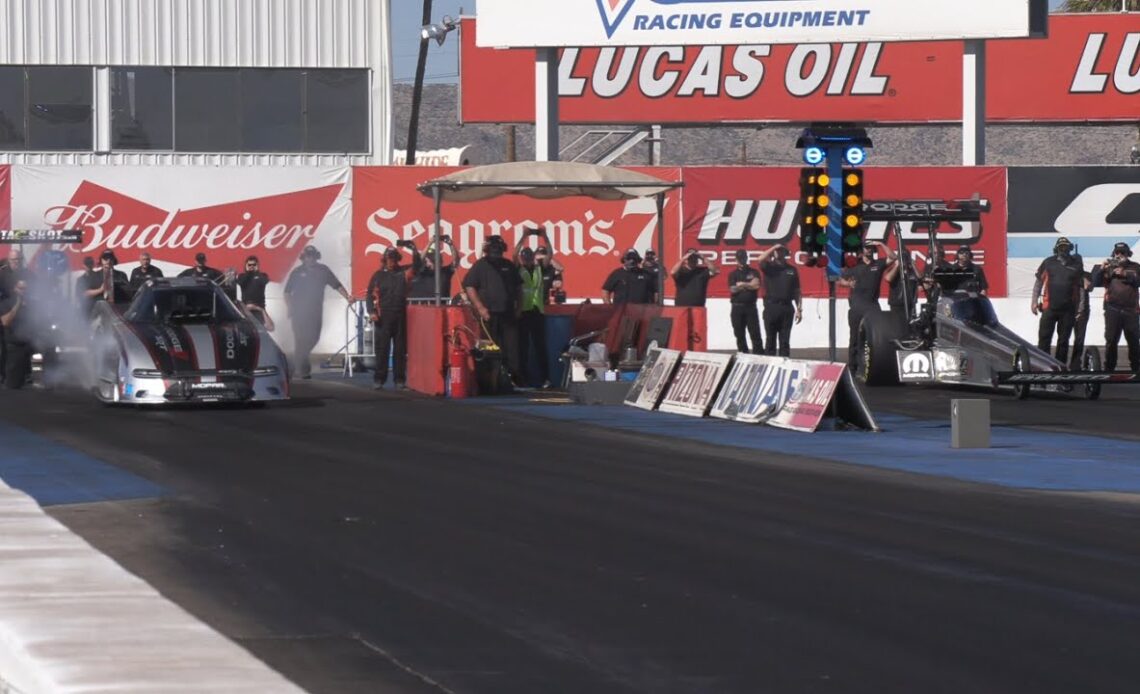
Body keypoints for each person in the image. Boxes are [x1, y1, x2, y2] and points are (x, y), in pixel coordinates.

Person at [283, 245, 353, 379]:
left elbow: (336, 285)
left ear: (316, 256)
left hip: (315, 311)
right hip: (298, 312)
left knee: (314, 338)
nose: (310, 259)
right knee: (300, 340)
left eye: (312, 256)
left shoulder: (323, 270)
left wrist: (347, 296)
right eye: (307, 256)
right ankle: (303, 371)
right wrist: (290, 307)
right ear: (303, 258)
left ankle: (297, 362)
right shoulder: (297, 272)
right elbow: (287, 292)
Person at [462, 235, 522, 385]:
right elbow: (469, 286)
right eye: (493, 250)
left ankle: (511, 379)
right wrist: (480, 308)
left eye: (499, 250)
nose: (496, 253)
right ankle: (490, 380)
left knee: (512, 348)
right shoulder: (480, 265)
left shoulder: (508, 265)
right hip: (488, 315)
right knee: (490, 348)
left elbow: (519, 287)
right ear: (487, 250)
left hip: (508, 314)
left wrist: (519, 307)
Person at [367, 242, 419, 390]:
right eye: (389, 259)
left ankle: (399, 380)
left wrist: (414, 249)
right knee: (382, 349)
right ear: (384, 260)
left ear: (398, 259)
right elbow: (370, 296)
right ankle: (379, 379)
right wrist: (372, 312)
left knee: (400, 350)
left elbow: (418, 266)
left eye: (394, 259)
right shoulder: (378, 276)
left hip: (400, 314)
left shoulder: (403, 272)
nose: (391, 262)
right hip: (383, 316)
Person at [1031, 237, 1084, 367]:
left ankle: (1061, 369)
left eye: (1066, 247)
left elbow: (1081, 287)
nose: (1063, 250)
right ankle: (1043, 367)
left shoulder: (1076, 265)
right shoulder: (1048, 262)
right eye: (1061, 247)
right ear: (1056, 249)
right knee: (1044, 339)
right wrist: (1034, 301)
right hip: (1049, 307)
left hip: (1068, 310)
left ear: (1070, 249)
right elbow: (1038, 283)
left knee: (1063, 341)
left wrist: (1080, 308)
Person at [838, 242, 891, 365]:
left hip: (872, 306)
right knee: (855, 337)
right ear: (862, 250)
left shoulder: (878, 264)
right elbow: (839, 279)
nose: (870, 250)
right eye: (867, 248)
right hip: (856, 306)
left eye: (872, 248)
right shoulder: (854, 265)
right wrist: (847, 284)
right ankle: (853, 366)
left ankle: (873, 365)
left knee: (876, 338)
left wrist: (881, 244)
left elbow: (893, 257)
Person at [1091, 242, 1140, 373]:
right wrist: (1101, 269)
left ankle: (1136, 369)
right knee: (1111, 340)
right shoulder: (1107, 266)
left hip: (1131, 310)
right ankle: (1109, 369)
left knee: (1134, 341)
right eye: (1117, 252)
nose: (1120, 255)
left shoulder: (1135, 267)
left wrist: (1126, 274)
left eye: (1123, 252)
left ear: (1128, 254)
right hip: (1112, 309)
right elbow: (1093, 283)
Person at [759, 244, 802, 357]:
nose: (779, 253)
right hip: (771, 307)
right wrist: (773, 247)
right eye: (777, 251)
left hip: (786, 308)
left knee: (785, 341)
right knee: (770, 340)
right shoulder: (769, 267)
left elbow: (797, 291)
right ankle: (769, 367)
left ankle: (785, 365)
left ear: (785, 253)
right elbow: (760, 259)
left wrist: (799, 309)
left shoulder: (791, 270)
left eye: (781, 251)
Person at [516, 246, 550, 388]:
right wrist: (523, 237)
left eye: (529, 257)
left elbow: (550, 255)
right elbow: (513, 255)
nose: (527, 260)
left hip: (537, 310)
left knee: (540, 347)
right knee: (523, 347)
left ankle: (545, 379)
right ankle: (523, 379)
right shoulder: (518, 269)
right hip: (523, 311)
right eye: (525, 257)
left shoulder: (539, 269)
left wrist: (545, 237)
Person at [0, 279, 34, 389]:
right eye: (21, 288)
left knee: (49, 345)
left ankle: (51, 380)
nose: (24, 291)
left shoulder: (31, 303)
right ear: (15, 289)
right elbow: (5, 322)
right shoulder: (6, 303)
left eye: (26, 289)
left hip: (30, 340)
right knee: (13, 385)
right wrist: (17, 305)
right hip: (14, 343)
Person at [727, 250, 763, 354]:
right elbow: (733, 289)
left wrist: (741, 284)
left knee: (755, 333)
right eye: (739, 258)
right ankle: (743, 354)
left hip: (750, 307)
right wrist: (748, 285)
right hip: (737, 307)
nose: (741, 260)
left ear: (746, 258)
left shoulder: (754, 272)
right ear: (736, 259)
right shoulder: (733, 274)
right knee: (739, 333)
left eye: (743, 258)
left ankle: (759, 354)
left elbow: (756, 285)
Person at [409, 234, 458, 302]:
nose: (429, 263)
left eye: (433, 260)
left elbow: (455, 261)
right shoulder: (420, 272)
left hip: (440, 308)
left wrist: (451, 245)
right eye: (428, 261)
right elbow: (419, 261)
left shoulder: (445, 272)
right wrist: (430, 243)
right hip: (421, 308)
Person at [237, 255, 273, 328]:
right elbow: (241, 282)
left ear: (257, 265)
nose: (252, 266)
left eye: (254, 265)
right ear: (246, 265)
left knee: (267, 327)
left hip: (259, 307)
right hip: (246, 307)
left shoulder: (262, 275)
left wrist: (256, 272)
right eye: (249, 265)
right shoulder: (242, 276)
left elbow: (264, 281)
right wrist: (248, 272)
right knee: (247, 328)